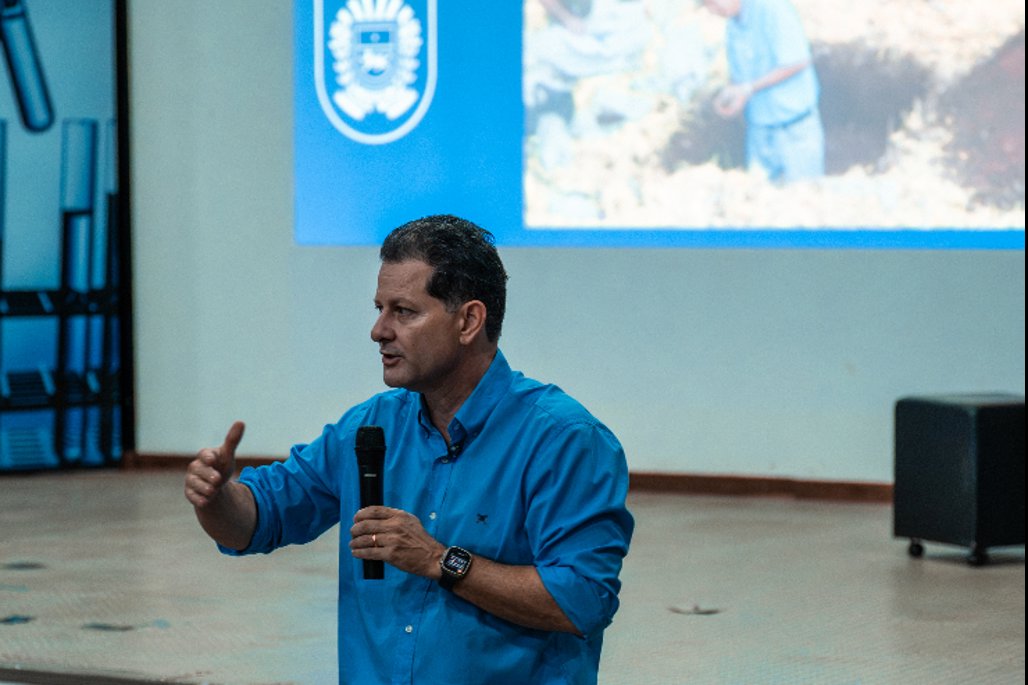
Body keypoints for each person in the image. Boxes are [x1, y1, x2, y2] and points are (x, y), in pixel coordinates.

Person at [184, 214, 634, 685]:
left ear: (469, 321)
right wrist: (218, 499)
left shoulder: (564, 440)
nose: (379, 330)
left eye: (403, 311)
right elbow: (255, 522)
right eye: (379, 308)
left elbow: (582, 598)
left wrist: (441, 560)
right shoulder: (368, 427)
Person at [703, 0, 825, 182]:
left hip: (794, 129)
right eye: (708, 6)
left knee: (803, 198)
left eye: (715, 2)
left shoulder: (772, 8)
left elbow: (797, 60)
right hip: (760, 131)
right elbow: (740, 76)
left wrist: (749, 88)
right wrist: (735, 96)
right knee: (762, 199)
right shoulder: (733, 25)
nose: (714, 10)